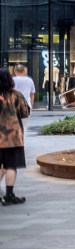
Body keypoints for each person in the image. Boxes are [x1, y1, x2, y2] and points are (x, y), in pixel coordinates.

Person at [0, 70, 30, 205]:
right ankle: (9, 195)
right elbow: (25, 113)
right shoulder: (16, 96)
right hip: (13, 138)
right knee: (11, 166)